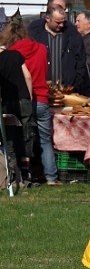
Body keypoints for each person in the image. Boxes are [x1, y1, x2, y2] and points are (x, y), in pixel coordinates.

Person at [3, 21, 57, 185]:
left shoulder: (11, 53)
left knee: (19, 139)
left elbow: (23, 76)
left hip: (21, 99)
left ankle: (23, 175)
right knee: (45, 140)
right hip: (41, 96)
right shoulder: (41, 48)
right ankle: (51, 177)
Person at [27, 4, 90, 97]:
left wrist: (75, 85)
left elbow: (81, 62)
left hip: (68, 91)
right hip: (41, 92)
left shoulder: (73, 36)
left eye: (63, 22)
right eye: (57, 22)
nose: (61, 25)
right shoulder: (35, 36)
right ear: (48, 18)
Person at [0, 26, 34, 188]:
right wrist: (29, 95)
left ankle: (13, 173)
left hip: (8, 102)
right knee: (26, 136)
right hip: (24, 99)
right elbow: (27, 75)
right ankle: (27, 172)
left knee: (10, 138)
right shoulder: (16, 55)